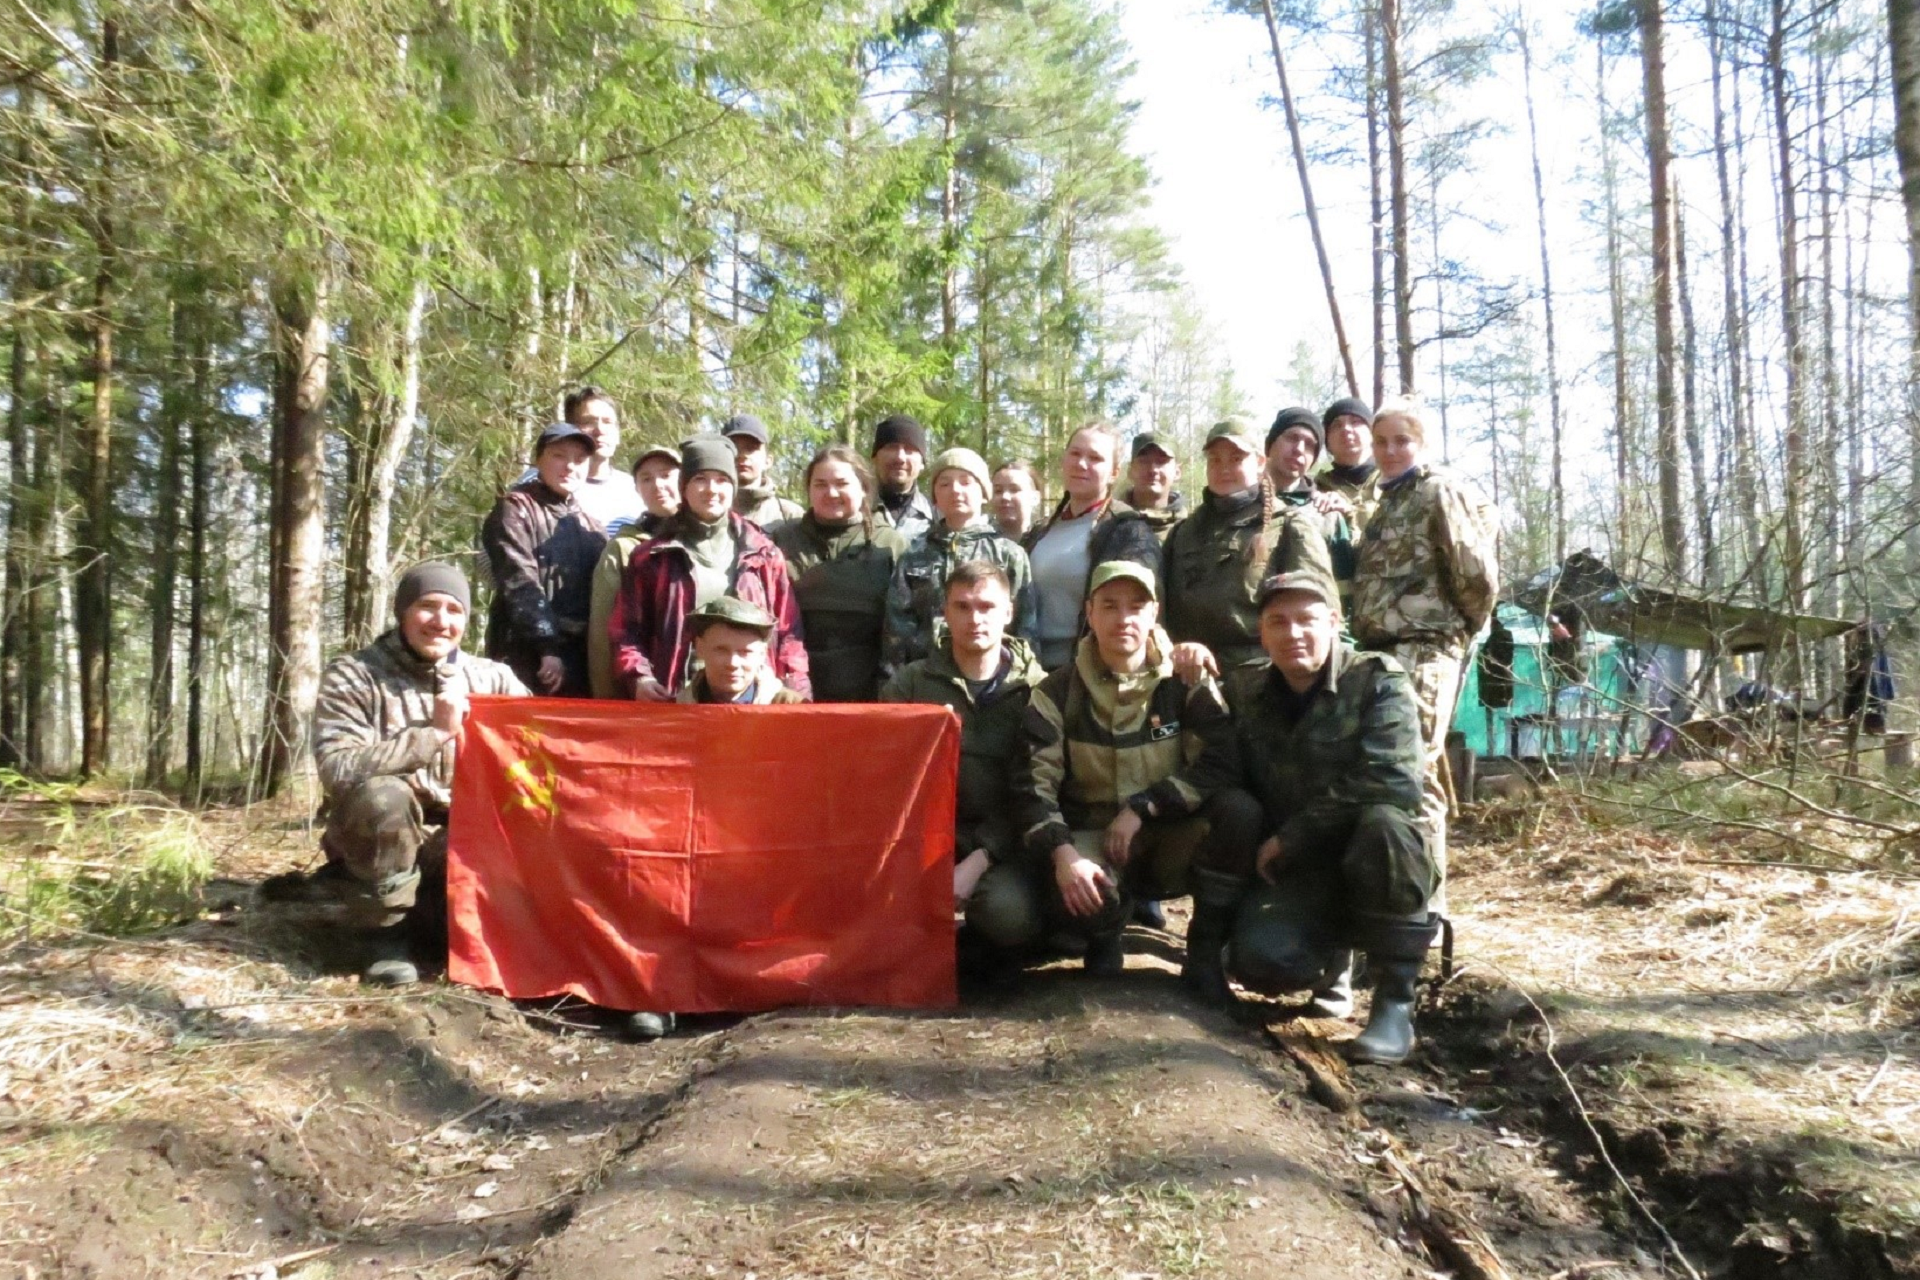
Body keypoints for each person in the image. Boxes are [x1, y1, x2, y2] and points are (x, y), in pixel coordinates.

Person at [991, 561, 1258, 987]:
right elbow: (1031, 787)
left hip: (1169, 832)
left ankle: (1204, 950)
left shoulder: (1186, 680)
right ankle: (1104, 930)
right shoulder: (1057, 692)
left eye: (1136, 607)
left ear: (1154, 614)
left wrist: (1145, 806)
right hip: (1093, 838)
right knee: (1070, 889)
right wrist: (1065, 858)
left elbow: (1222, 764)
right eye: (1110, 606)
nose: (1123, 618)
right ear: (1090, 613)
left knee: (1239, 812)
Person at [1218, 569, 1441, 1063]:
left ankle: (1394, 1003)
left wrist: (1294, 835)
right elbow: (1227, 773)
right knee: (1263, 965)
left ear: (1334, 622)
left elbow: (1393, 780)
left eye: (1307, 619)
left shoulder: (1377, 679)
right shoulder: (1247, 692)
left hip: (1370, 858)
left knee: (1386, 823)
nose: (1293, 633)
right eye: (1278, 621)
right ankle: (1331, 961)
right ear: (1261, 632)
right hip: (1303, 871)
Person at [307, 563, 528, 985]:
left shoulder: (492, 678)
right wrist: (435, 735)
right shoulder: (354, 675)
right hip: (379, 843)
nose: (441, 622)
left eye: (453, 610)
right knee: (383, 797)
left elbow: (539, 751)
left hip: (456, 843)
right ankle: (384, 936)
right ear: (403, 612)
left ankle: (449, 928)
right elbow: (338, 769)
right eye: (427, 607)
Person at [1350, 397, 1498, 907]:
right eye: (1382, 442)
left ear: (1422, 444)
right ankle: (1394, 901)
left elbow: (1476, 576)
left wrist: (1457, 635)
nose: (1390, 451)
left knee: (1414, 773)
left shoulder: (1439, 490)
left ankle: (1422, 910)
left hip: (1427, 650)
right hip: (1382, 653)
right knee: (1396, 773)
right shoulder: (1386, 501)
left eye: (1401, 441)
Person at [880, 561, 1045, 918]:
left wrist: (982, 855)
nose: (975, 619)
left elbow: (1039, 792)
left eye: (987, 607)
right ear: (945, 613)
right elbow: (882, 772)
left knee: (1007, 915)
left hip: (1006, 842)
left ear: (1009, 613)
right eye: (962, 607)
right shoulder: (911, 684)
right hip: (926, 837)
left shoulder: (1036, 691)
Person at [610, 435, 810, 700]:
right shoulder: (652, 557)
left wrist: (797, 693)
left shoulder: (763, 552)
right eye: (700, 479)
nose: (711, 489)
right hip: (677, 700)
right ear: (684, 487)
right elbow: (625, 632)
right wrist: (639, 678)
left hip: (754, 702)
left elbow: (788, 632)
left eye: (722, 480)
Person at [1162, 418, 1333, 677]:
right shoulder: (1183, 533)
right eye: (1215, 460)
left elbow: (1319, 616)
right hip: (1188, 676)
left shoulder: (1289, 527)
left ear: (1260, 463)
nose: (1224, 468)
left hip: (1263, 678)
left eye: (1236, 458)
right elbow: (1161, 611)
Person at [772, 444, 910, 701]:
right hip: (795, 693)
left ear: (863, 488)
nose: (831, 492)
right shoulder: (781, 541)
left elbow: (906, 632)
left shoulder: (890, 545)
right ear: (809, 490)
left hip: (871, 694)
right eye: (820, 484)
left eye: (842, 483)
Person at [1022, 422, 1162, 670]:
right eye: (1075, 453)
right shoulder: (1039, 532)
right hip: (1030, 668)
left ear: (1114, 473)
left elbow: (1137, 609)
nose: (1081, 464)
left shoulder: (1128, 532)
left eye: (1095, 458)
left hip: (1091, 672)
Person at [482, 422, 608, 696]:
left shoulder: (593, 528)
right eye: (559, 455)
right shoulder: (515, 509)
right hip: (524, 653)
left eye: (579, 459)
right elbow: (518, 580)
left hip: (581, 658)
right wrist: (546, 646)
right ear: (539, 460)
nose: (570, 466)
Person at [884, 447, 1036, 671]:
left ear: (984, 493)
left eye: (966, 482)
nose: (955, 490)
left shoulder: (1008, 554)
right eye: (945, 484)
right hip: (927, 678)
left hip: (992, 680)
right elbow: (895, 630)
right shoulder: (914, 553)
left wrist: (1022, 679)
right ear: (935, 497)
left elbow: (1026, 627)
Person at [587, 444, 682, 698]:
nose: (658, 485)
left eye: (666, 475)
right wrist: (609, 702)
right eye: (646, 479)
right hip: (649, 694)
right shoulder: (623, 549)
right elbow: (603, 636)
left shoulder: (716, 540)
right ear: (637, 490)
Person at [1265, 406, 1358, 606]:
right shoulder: (1237, 504)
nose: (1299, 449)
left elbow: (1345, 593)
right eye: (1292, 437)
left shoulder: (1327, 515)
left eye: (1309, 445)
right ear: (1270, 445)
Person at [548, 385, 647, 534]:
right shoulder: (544, 483)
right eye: (588, 422)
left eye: (607, 422)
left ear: (618, 433)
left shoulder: (638, 490)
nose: (600, 430)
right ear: (570, 431)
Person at [676, 597, 810, 704]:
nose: (732, 663)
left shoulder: (792, 709)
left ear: (762, 654)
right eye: (721, 650)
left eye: (745, 652)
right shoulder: (673, 713)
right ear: (700, 648)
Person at [722, 413, 805, 528]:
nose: (742, 455)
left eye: (751, 448)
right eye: (734, 448)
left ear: (768, 461)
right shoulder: (709, 510)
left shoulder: (790, 515)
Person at [869, 413, 936, 541]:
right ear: (874, 457)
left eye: (909, 450)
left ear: (922, 463)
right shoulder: (856, 511)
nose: (900, 457)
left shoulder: (937, 517)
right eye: (892, 448)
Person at [1316, 397, 1378, 532]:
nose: (1346, 429)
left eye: (1355, 422)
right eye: (1336, 425)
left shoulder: (1395, 482)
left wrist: (1350, 511)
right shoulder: (1315, 490)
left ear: (1372, 433)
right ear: (1327, 441)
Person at [1119, 433, 1184, 542]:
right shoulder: (1107, 524)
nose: (1153, 469)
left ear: (1177, 472)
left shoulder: (1192, 529)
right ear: (1130, 471)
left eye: (1161, 461)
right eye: (1144, 461)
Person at [991, 459, 1043, 543]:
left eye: (1014, 490)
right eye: (998, 491)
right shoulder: (977, 546)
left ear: (1035, 498)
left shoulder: (1049, 543)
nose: (1005, 497)